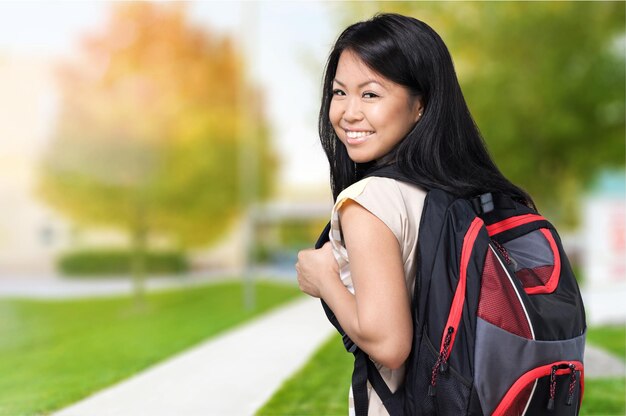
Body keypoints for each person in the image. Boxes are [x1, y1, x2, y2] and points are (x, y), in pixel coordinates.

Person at [295, 13, 534, 416]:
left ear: (420, 104)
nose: (348, 113)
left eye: (370, 94)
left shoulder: (368, 201)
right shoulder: (469, 194)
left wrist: (324, 279)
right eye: (339, 93)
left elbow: (389, 345)